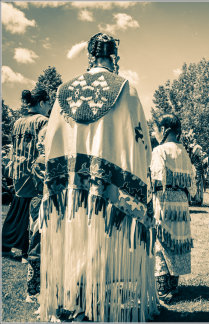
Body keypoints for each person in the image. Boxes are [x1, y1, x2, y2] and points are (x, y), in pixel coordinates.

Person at [39, 33, 157, 322]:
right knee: (101, 242)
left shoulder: (65, 90)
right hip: (108, 186)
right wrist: (142, 177)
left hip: (70, 186)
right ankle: (94, 303)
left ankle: (74, 300)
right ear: (114, 55)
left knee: (73, 238)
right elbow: (140, 139)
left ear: (89, 55)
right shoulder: (124, 88)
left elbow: (52, 136)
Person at [150, 114, 196, 304]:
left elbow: (157, 178)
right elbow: (192, 184)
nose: (155, 132)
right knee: (177, 241)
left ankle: (162, 289)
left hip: (165, 200)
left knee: (162, 242)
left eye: (156, 129)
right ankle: (173, 285)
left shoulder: (160, 150)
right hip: (181, 202)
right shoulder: (184, 151)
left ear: (165, 130)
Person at [2, 89, 50, 262]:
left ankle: (5, 245)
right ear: (42, 103)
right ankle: (25, 251)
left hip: (18, 170)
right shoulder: (44, 122)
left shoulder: (17, 122)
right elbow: (44, 147)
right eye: (49, 103)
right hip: (33, 172)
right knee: (31, 212)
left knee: (17, 207)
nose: (50, 107)